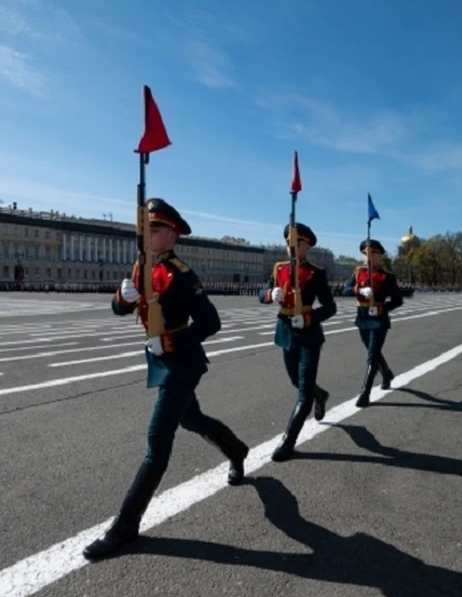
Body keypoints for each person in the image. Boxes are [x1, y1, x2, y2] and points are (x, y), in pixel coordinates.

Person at [83, 198, 250, 561]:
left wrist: (171, 340)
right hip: (160, 359)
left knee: (158, 440)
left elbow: (211, 323)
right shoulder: (142, 264)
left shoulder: (181, 274)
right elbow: (120, 309)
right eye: (145, 227)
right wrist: (122, 298)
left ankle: (125, 526)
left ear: (172, 234)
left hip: (182, 362)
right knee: (192, 419)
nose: (147, 233)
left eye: (155, 228)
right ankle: (236, 449)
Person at [259, 222, 337, 462]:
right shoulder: (279, 268)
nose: (291, 247)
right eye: (288, 242)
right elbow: (262, 293)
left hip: (308, 335)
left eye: (298, 243)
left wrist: (309, 318)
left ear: (307, 246)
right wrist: (270, 294)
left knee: (304, 392)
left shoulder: (315, 272)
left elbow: (330, 307)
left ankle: (288, 442)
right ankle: (321, 395)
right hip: (285, 331)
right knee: (296, 380)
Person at [342, 239, 404, 407]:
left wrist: (382, 308)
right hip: (362, 317)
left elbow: (398, 300)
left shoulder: (387, 276)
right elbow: (345, 290)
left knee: (372, 355)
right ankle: (387, 373)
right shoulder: (357, 273)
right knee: (373, 351)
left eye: (373, 254)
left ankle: (365, 392)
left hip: (379, 319)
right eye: (366, 254)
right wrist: (359, 289)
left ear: (379, 255)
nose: (369, 257)